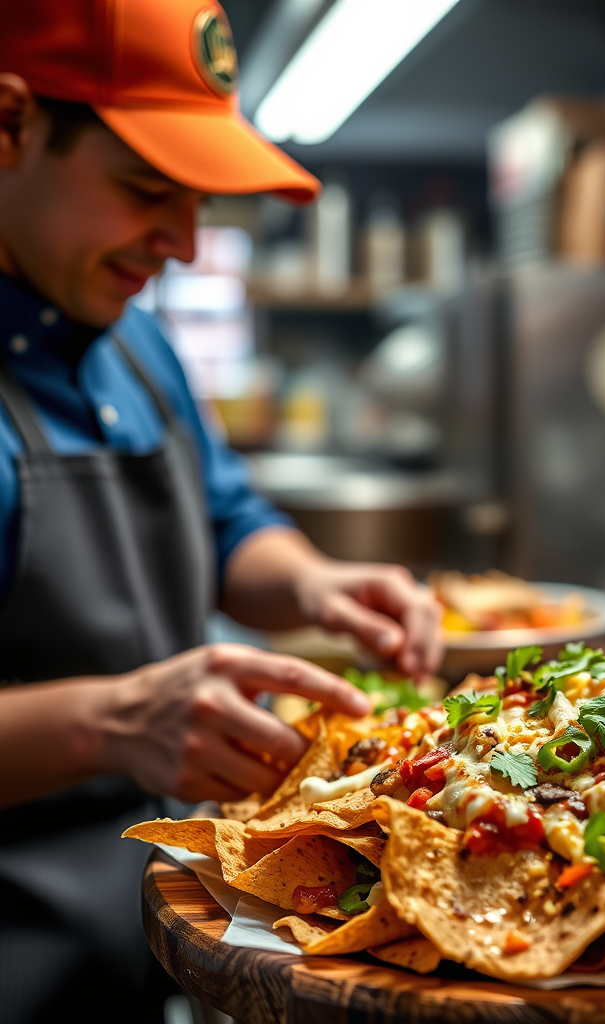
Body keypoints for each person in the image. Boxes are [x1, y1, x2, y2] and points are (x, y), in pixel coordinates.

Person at [0, 1, 443, 1020]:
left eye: (197, 198)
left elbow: (225, 521)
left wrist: (317, 583)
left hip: (157, 935)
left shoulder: (134, 346)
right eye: (147, 189)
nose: (187, 244)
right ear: (11, 125)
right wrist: (112, 721)